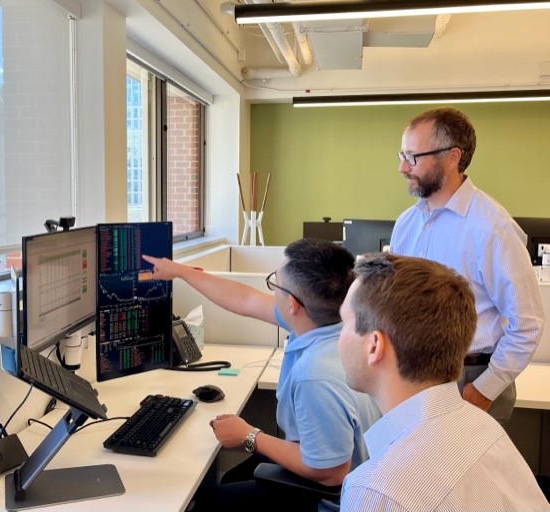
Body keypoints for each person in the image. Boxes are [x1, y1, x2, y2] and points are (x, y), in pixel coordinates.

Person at [143, 238, 380, 511]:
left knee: (204, 504)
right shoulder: (332, 326)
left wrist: (249, 435)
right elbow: (244, 299)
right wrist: (180, 272)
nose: (270, 291)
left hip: (326, 500)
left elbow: (331, 472)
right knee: (232, 477)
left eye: (274, 283)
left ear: (292, 304)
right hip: (337, 473)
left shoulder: (316, 374)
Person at [337, 252, 550, 511]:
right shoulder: (486, 429)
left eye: (343, 323)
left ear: (374, 346)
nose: (338, 336)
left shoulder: (377, 491)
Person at [390, 107, 545, 424]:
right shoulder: (406, 224)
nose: (403, 168)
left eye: (413, 157)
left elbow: (527, 324)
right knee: (420, 472)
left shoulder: (492, 228)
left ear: (452, 157)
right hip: (415, 373)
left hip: (471, 376)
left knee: (464, 474)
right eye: (401, 155)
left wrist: (484, 390)